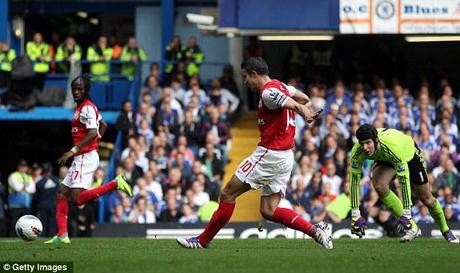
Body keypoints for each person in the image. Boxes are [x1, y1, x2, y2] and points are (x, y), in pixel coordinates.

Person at [176, 57, 332, 249]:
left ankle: (202, 240)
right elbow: (305, 98)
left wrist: (302, 111)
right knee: (268, 210)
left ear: (254, 74)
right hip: (285, 156)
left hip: (270, 154)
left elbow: (300, 104)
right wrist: (295, 106)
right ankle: (316, 231)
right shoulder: (281, 86)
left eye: (245, 77)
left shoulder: (267, 92)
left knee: (227, 193)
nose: (245, 82)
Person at [44, 75, 133, 244]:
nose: (76, 92)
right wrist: (94, 144)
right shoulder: (82, 108)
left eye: (80, 89)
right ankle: (62, 234)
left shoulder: (87, 108)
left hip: (84, 157)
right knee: (61, 193)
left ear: (86, 90)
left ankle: (116, 183)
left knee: (77, 199)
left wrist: (75, 150)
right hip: (83, 156)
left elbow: (93, 131)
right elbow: (103, 125)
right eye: (74, 89)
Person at [349, 124, 459, 243]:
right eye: (362, 143)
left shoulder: (392, 148)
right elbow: (354, 181)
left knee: (426, 198)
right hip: (386, 157)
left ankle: (446, 230)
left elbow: (404, 180)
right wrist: (355, 214)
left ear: (375, 140)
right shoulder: (357, 152)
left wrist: (407, 212)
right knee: (379, 186)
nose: (365, 148)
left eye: (368, 143)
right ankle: (413, 228)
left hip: (409, 154)